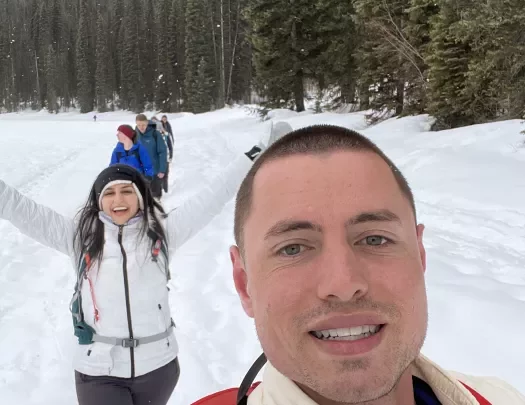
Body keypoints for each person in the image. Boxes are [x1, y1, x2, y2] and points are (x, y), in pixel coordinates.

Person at [192, 125, 525, 405]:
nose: (344, 283)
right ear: (243, 283)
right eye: (293, 248)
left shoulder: (500, 397)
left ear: (420, 255)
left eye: (375, 239)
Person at [0, 125, 285, 405]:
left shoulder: (162, 234)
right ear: (99, 202)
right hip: (99, 370)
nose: (118, 200)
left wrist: (254, 155)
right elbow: (24, 211)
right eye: (109, 194)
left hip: (158, 368)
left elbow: (213, 195)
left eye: (127, 191)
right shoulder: (80, 239)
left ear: (140, 197)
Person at [135, 114, 168, 200]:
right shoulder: (134, 135)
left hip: (155, 172)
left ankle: (158, 211)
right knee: (142, 197)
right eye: (139, 125)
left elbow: (162, 152)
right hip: (141, 172)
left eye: (143, 125)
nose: (141, 127)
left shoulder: (155, 134)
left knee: (155, 197)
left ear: (147, 123)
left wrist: (162, 169)